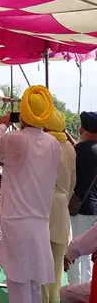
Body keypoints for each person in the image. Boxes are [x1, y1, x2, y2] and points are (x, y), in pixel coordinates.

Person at [0, 85, 61, 303]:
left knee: (18, 289)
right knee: (34, 288)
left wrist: (3, 125)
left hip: (16, 225)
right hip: (39, 225)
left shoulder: (16, 139)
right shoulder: (54, 145)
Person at [41, 110, 76, 303]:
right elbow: (73, 184)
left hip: (44, 207)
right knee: (56, 266)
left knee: (41, 263)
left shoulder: (44, 144)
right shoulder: (70, 149)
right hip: (62, 209)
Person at [68, 111, 97, 286]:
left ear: (84, 130)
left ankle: (74, 291)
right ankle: (86, 292)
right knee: (88, 257)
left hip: (79, 209)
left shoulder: (78, 151)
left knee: (76, 251)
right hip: (95, 211)